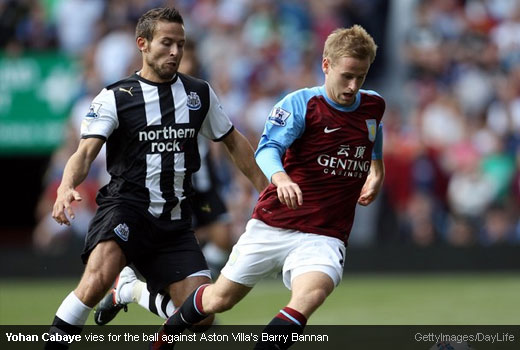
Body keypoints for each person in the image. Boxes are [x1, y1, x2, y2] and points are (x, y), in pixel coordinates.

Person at [150, 24, 386, 350]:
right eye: (347, 75)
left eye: (361, 76)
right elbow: (267, 150)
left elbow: (372, 137)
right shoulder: (301, 105)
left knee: (311, 295)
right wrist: (282, 178)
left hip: (325, 234)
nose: (353, 85)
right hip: (274, 224)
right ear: (326, 65)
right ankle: (166, 334)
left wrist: (377, 171)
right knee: (220, 299)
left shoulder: (373, 106)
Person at [45, 7, 268, 349]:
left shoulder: (200, 94)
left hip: (175, 222)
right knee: (95, 281)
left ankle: (132, 289)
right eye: (167, 43)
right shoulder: (116, 97)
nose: (176, 52)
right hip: (126, 209)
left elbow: (234, 142)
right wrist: (65, 186)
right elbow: (85, 152)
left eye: (181, 44)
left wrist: (267, 190)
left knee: (203, 315)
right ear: (143, 44)